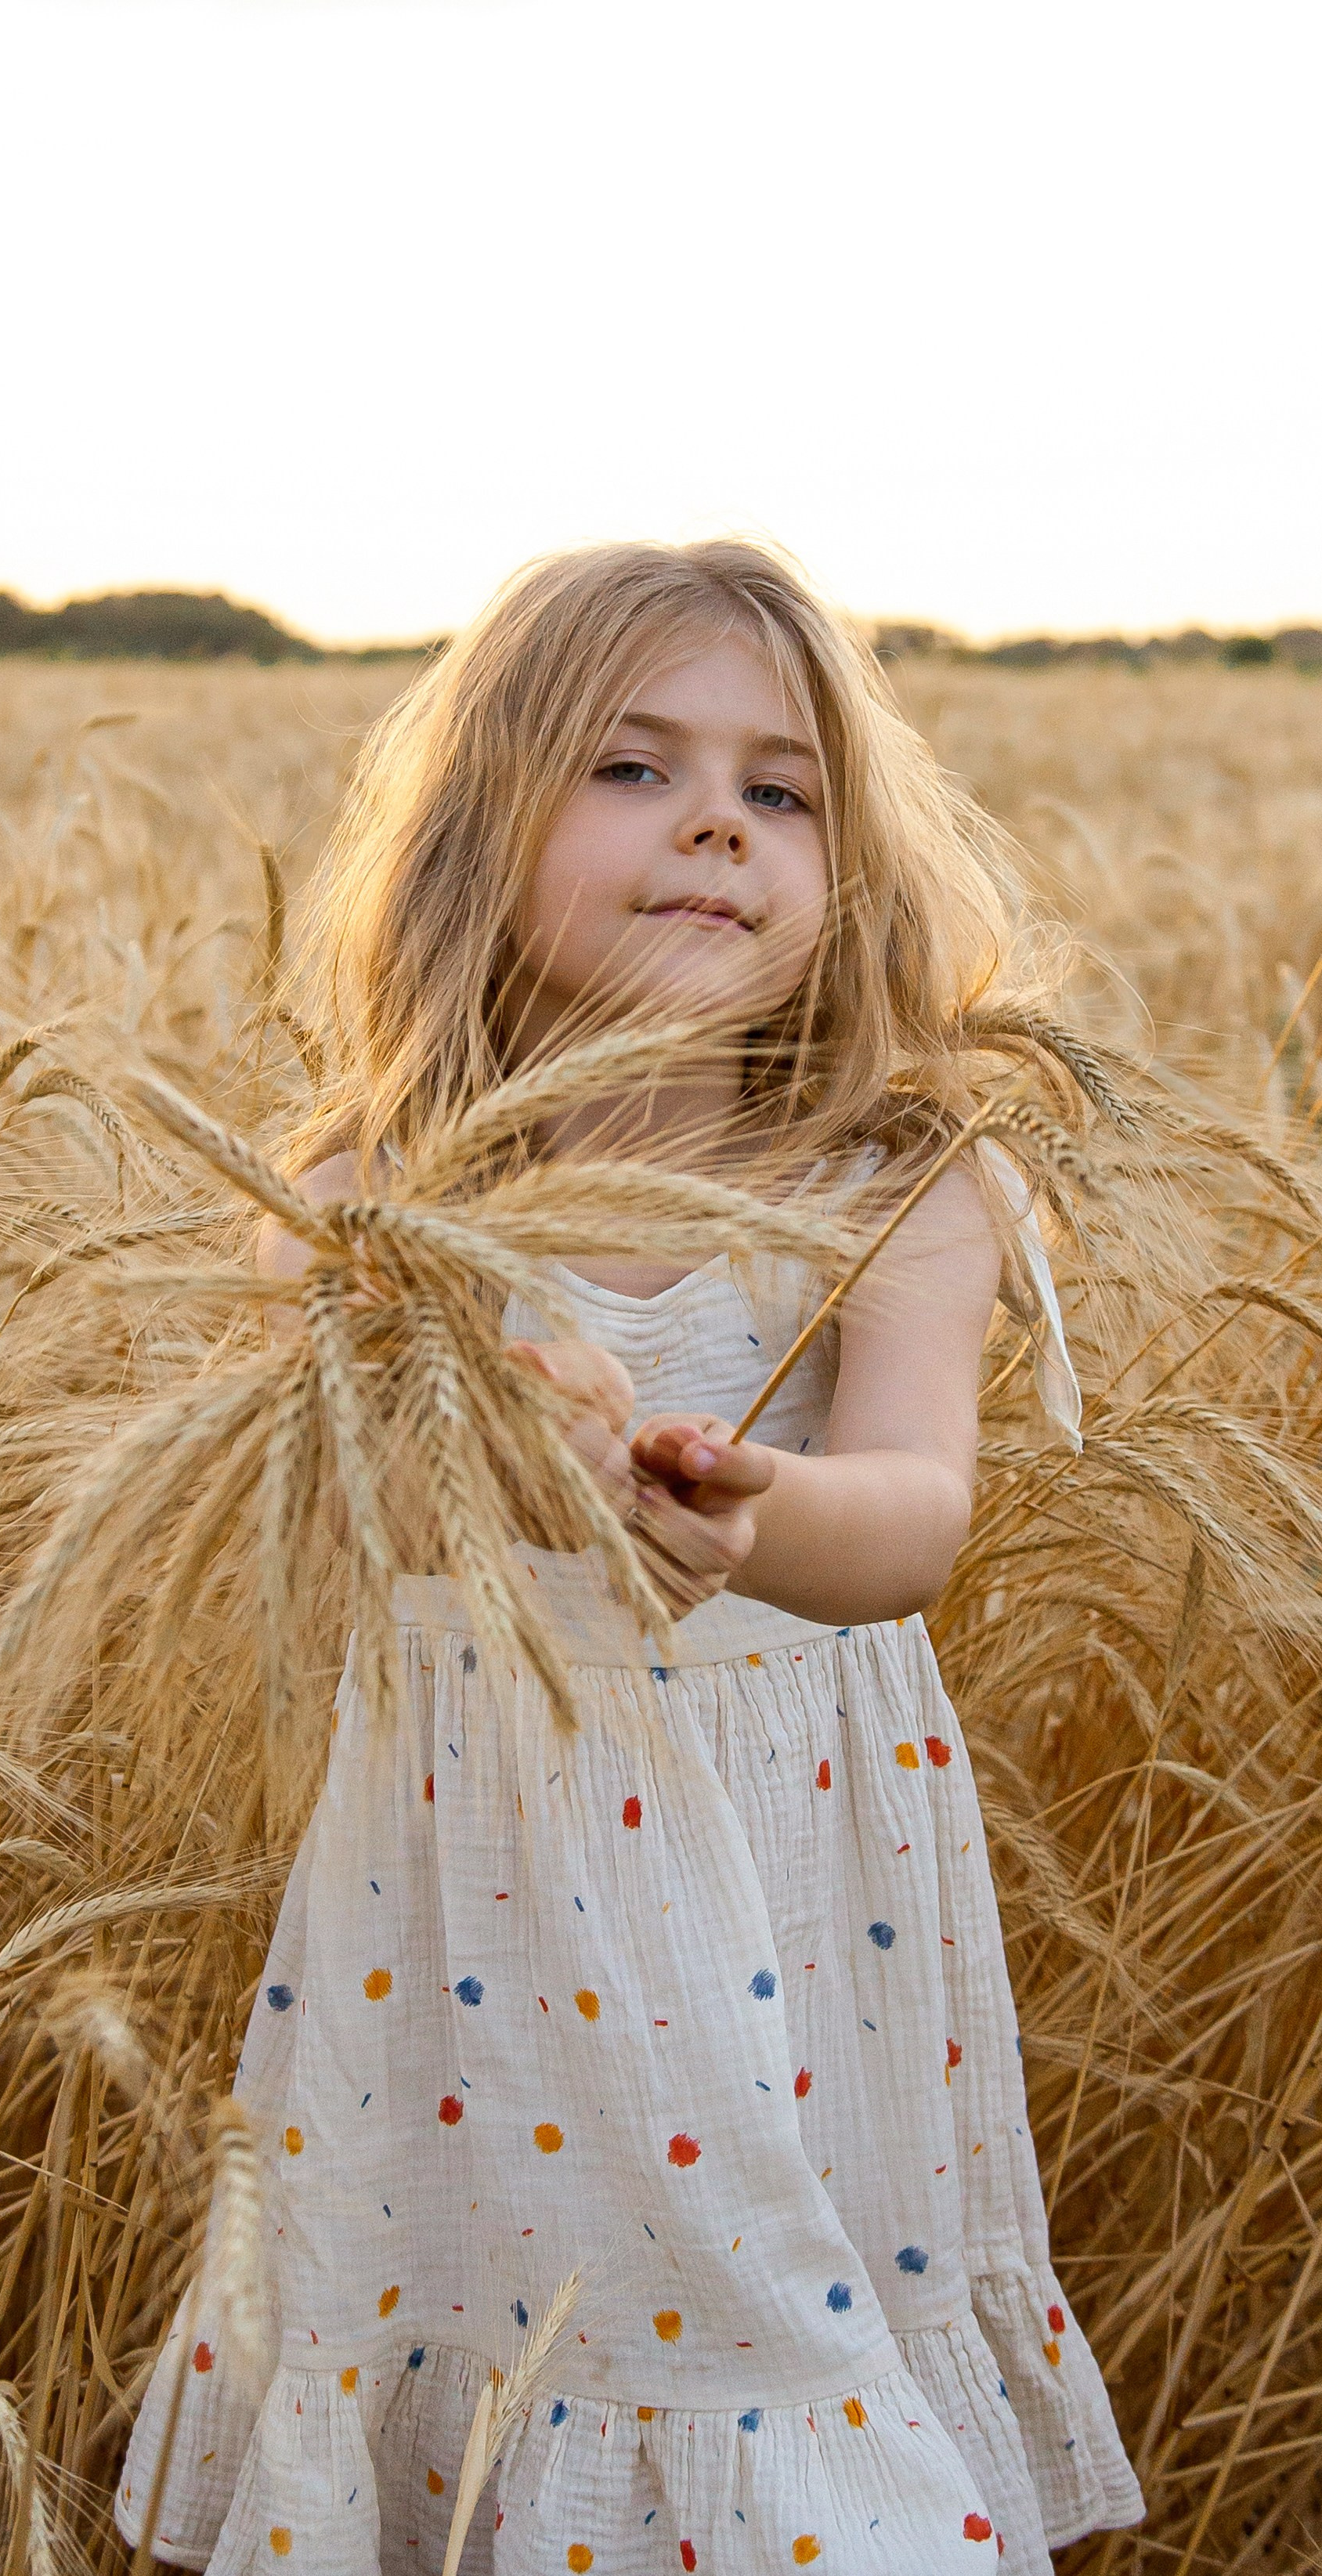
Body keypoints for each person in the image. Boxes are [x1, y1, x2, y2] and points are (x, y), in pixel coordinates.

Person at [117, 541, 1143, 2573]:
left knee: (785, 2337)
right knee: (513, 2325)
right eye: (629, 768)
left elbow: (913, 1514)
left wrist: (749, 1515)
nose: (713, 824)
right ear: (476, 830)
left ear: (844, 861)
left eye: (779, 791)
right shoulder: (373, 1196)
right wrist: (494, 1447)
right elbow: (309, 1513)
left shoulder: (898, 1182)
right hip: (481, 1879)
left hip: (797, 1888)